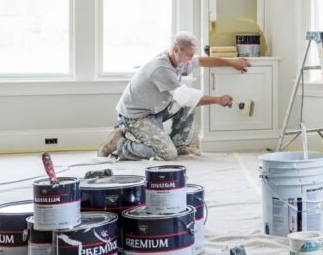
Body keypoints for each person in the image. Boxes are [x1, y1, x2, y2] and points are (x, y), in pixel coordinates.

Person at [97, 32, 251, 161]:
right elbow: (188, 98)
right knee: (168, 154)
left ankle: (179, 144)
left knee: (185, 103)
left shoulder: (179, 60)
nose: (191, 59)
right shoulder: (161, 68)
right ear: (176, 49)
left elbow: (202, 61)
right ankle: (121, 145)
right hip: (135, 117)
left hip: (155, 109)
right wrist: (217, 100)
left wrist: (231, 62)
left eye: (192, 55)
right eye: (188, 55)